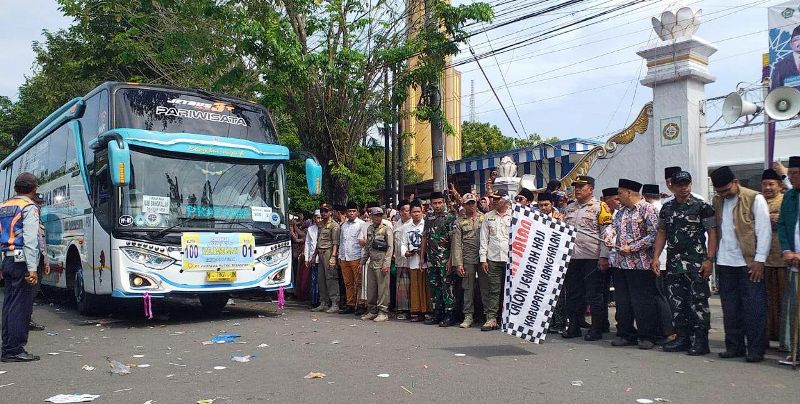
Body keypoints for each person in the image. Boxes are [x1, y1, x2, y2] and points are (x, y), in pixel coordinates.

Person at [710, 166, 771, 363]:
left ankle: (755, 349)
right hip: (725, 262)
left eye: (727, 190)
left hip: (749, 263)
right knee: (730, 308)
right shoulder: (718, 200)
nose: (724, 194)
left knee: (753, 308)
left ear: (736, 182)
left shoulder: (755, 198)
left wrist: (760, 260)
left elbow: (764, 231)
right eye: (720, 192)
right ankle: (734, 347)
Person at [653, 171, 717, 356]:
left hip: (696, 263)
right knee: (677, 303)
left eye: (687, 183)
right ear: (672, 186)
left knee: (698, 303)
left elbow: (712, 233)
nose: (684, 187)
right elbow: (662, 233)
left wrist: (709, 259)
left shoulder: (702, 206)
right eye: (680, 184)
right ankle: (682, 338)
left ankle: (701, 342)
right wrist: (656, 257)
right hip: (675, 264)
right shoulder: (667, 208)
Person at [602, 179, 660, 349]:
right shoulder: (620, 212)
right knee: (623, 301)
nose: (617, 197)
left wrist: (633, 248)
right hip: (620, 263)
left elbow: (654, 235)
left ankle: (647, 335)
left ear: (629, 192)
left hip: (640, 264)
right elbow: (612, 227)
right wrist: (609, 236)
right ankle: (625, 333)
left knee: (642, 301)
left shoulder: (647, 209)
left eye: (620, 193)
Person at [562, 176, 611, 340]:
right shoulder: (569, 208)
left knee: (594, 294)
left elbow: (607, 233)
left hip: (592, 257)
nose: (577, 189)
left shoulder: (600, 207)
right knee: (574, 293)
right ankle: (574, 326)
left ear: (591, 189)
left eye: (581, 187)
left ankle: (597, 329)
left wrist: (604, 256)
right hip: (572, 257)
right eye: (576, 186)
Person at [1, 172, 42, 362]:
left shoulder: (4, 206)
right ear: (33, 189)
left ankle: (7, 346)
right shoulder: (29, 207)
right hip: (22, 261)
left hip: (7, 260)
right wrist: (32, 269)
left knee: (9, 304)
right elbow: (30, 239)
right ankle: (15, 349)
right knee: (21, 306)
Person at [761, 168, 789, 350]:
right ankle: (769, 334)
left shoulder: (786, 201)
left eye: (771, 184)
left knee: (784, 300)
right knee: (766, 300)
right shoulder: (758, 201)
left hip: (783, 260)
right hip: (763, 260)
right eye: (764, 185)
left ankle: (784, 338)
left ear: (780, 186)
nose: (768, 188)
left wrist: (778, 219)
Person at [421, 191, 458, 327]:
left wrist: (450, 260)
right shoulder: (429, 218)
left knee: (447, 286)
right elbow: (425, 237)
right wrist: (422, 257)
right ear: (431, 204)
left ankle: (450, 314)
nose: (437, 206)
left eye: (439, 203)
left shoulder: (449, 217)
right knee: (434, 287)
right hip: (431, 258)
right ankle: (438, 312)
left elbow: (453, 240)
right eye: (434, 203)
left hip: (445, 259)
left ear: (443, 202)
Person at [478, 190, 512, 331]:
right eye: (493, 199)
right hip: (493, 258)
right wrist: (483, 259)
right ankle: (491, 318)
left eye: (498, 199)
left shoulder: (515, 215)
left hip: (511, 258)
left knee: (511, 289)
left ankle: (509, 318)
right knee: (493, 289)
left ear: (505, 200)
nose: (495, 201)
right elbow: (484, 239)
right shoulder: (488, 216)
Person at [777, 156, 800, 360]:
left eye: (794, 174)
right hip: (793, 261)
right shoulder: (790, 196)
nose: (790, 178)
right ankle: (795, 351)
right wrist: (786, 250)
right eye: (789, 173)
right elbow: (782, 225)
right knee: (795, 307)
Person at [451, 192, 484, 329]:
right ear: (463, 205)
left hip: (483, 257)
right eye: (468, 203)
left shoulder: (485, 218)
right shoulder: (459, 222)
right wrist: (458, 263)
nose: (471, 206)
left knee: (485, 287)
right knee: (468, 288)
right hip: (468, 257)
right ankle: (468, 315)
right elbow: (456, 243)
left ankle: (489, 315)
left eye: (473, 203)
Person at [361, 207, 394, 322]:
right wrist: (362, 262)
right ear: (371, 216)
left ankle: (383, 312)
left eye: (380, 215)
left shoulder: (386, 229)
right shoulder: (370, 229)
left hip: (381, 262)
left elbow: (390, 248)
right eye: (376, 215)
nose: (378, 218)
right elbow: (367, 247)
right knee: (371, 288)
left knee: (382, 289)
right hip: (372, 262)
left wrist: (386, 264)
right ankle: (372, 310)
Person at [402, 201, 429, 322]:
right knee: (415, 287)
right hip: (412, 260)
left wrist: (424, 251)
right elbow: (403, 243)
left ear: (422, 212)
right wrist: (405, 252)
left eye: (418, 211)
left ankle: (427, 311)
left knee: (426, 286)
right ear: (410, 213)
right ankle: (416, 311)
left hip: (426, 261)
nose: (416, 214)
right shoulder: (406, 227)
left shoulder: (427, 224)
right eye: (414, 212)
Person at [338, 201, 366, 314]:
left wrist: (362, 259)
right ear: (346, 213)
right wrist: (340, 256)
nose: (351, 213)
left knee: (358, 283)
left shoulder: (362, 224)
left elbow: (363, 242)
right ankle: (350, 304)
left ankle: (360, 305)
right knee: (348, 283)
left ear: (357, 212)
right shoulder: (343, 225)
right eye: (349, 211)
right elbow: (341, 241)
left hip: (357, 257)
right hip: (345, 257)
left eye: (353, 211)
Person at [312, 203, 341, 313]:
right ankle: (324, 302)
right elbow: (318, 241)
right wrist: (314, 255)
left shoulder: (334, 225)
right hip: (320, 252)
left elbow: (335, 242)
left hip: (329, 252)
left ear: (331, 212)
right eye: (322, 211)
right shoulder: (320, 225)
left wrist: (333, 256)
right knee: (321, 278)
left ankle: (335, 303)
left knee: (331, 278)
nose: (323, 213)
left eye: (326, 211)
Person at [393, 200, 412, 320]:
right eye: (404, 210)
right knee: (401, 287)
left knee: (412, 285)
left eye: (409, 210)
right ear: (400, 212)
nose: (407, 213)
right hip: (400, 261)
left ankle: (413, 309)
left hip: (412, 261)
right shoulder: (396, 225)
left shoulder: (414, 224)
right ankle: (403, 310)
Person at [304, 211, 321, 308]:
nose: (318, 220)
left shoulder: (325, 228)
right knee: (314, 280)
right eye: (316, 218)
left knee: (321, 281)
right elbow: (307, 244)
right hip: (313, 259)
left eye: (320, 218)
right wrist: (306, 258)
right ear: (313, 218)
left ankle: (321, 301)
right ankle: (314, 301)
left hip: (323, 258)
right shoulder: (311, 229)